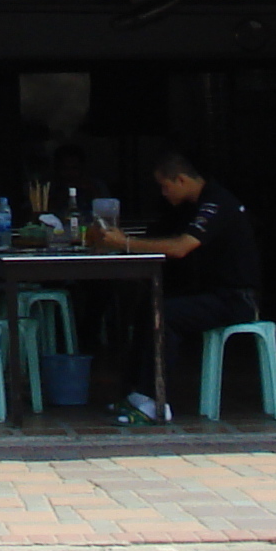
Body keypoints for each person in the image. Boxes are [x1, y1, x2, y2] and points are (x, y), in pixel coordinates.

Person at [99, 147, 260, 424]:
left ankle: (155, 401)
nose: (163, 193)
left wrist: (125, 244)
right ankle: (135, 392)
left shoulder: (216, 203)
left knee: (167, 315)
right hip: (210, 293)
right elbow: (162, 234)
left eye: (165, 186)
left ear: (182, 180)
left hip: (236, 299)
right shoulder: (189, 207)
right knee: (146, 306)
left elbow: (181, 247)